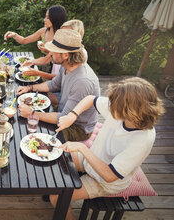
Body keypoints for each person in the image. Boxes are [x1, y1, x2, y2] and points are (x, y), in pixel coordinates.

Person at [49, 77, 165, 220]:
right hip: (91, 159)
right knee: (55, 157)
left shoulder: (142, 139)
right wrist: (72, 116)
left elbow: (110, 176)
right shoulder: (120, 109)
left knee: (57, 197)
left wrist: (82, 148)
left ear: (130, 110)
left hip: (105, 182)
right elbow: (91, 99)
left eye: (115, 104)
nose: (110, 106)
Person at [17, 29, 100, 142]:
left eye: (54, 51)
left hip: (78, 128)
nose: (49, 53)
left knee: (35, 134)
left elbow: (63, 118)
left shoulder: (82, 82)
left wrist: (31, 114)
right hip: (63, 112)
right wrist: (29, 88)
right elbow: (54, 84)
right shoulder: (67, 65)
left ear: (65, 55)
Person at [4, 5, 67, 77]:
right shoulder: (43, 31)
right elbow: (24, 40)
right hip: (43, 66)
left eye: (48, 18)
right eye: (45, 16)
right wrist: (15, 35)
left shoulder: (63, 37)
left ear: (56, 19)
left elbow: (53, 57)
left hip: (57, 69)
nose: (44, 20)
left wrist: (47, 52)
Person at [22, 19, 88, 80]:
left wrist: (38, 73)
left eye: (66, 32)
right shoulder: (60, 46)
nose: (62, 35)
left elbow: (61, 78)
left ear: (77, 35)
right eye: (61, 31)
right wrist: (31, 61)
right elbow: (46, 59)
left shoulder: (79, 53)